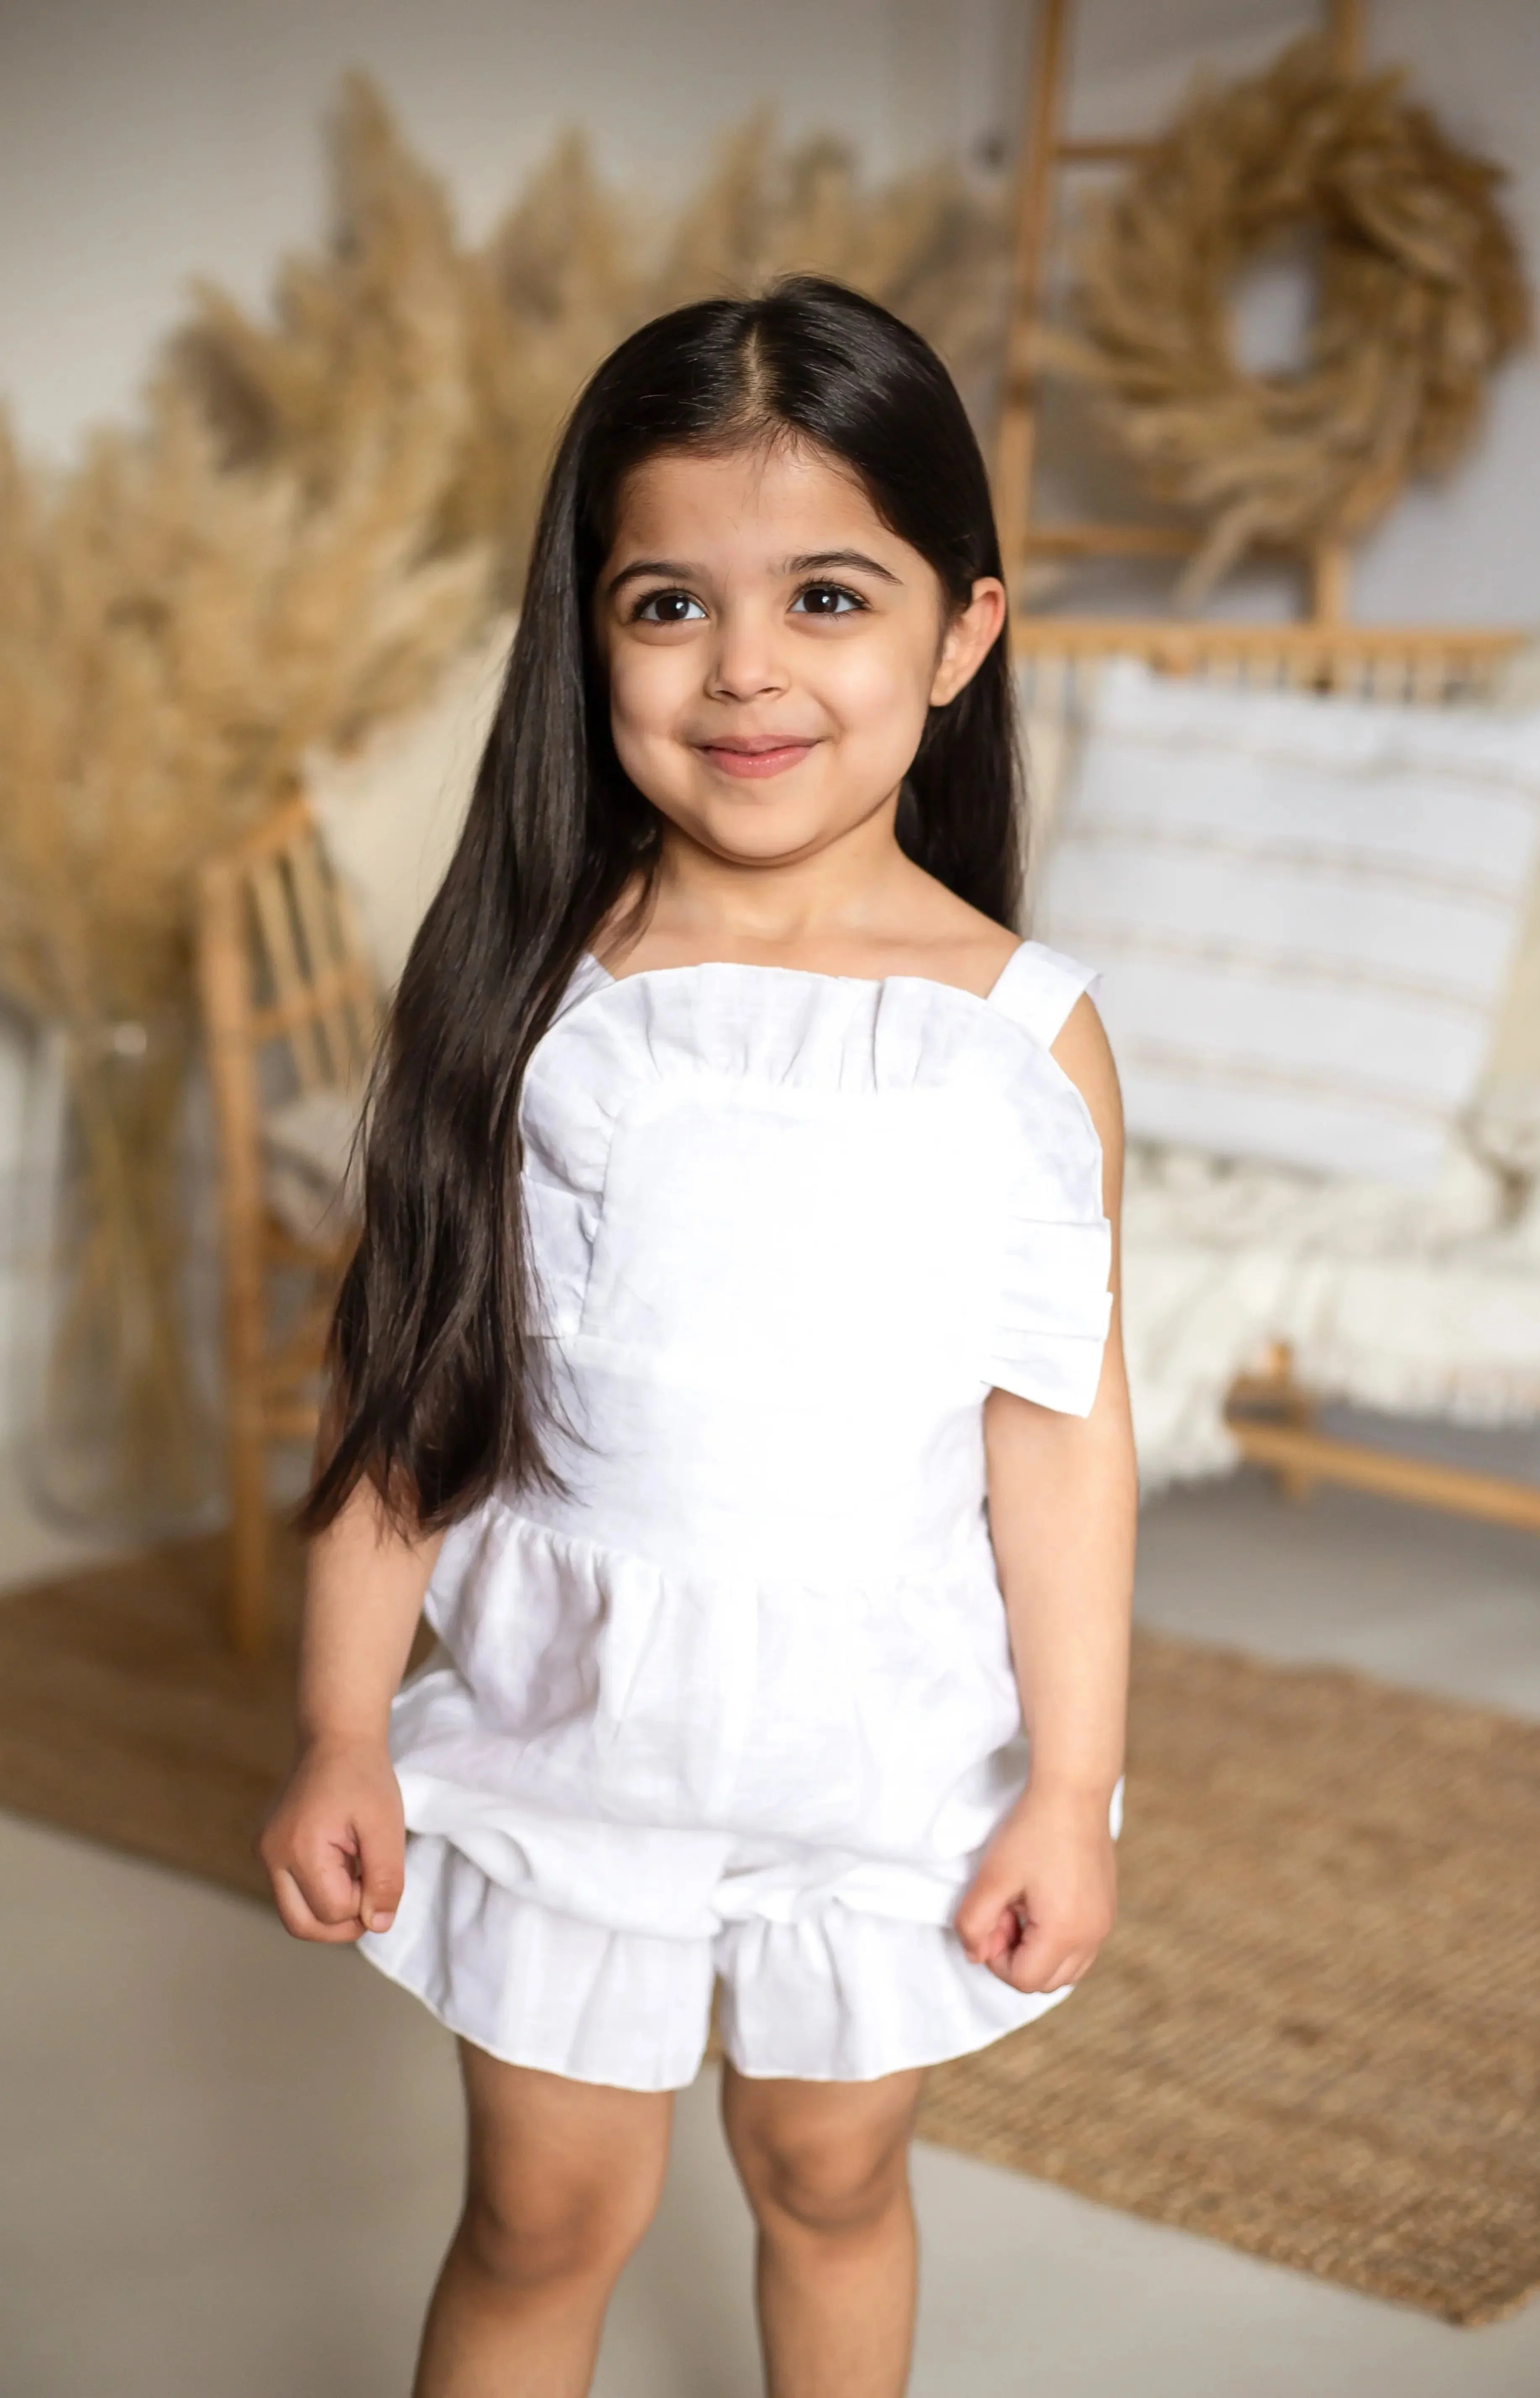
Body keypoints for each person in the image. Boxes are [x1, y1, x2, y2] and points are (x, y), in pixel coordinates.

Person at [260, 272, 1137, 2398]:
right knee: (545, 2216)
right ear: (590, 635)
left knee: (830, 2181)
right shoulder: (533, 1001)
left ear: (962, 634)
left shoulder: (1023, 1037)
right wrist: (349, 1723)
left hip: (884, 1760)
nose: (745, 667)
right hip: (581, 1745)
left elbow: (1060, 1441)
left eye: (827, 596)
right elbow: (414, 1397)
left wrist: (1072, 1783)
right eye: (669, 604)